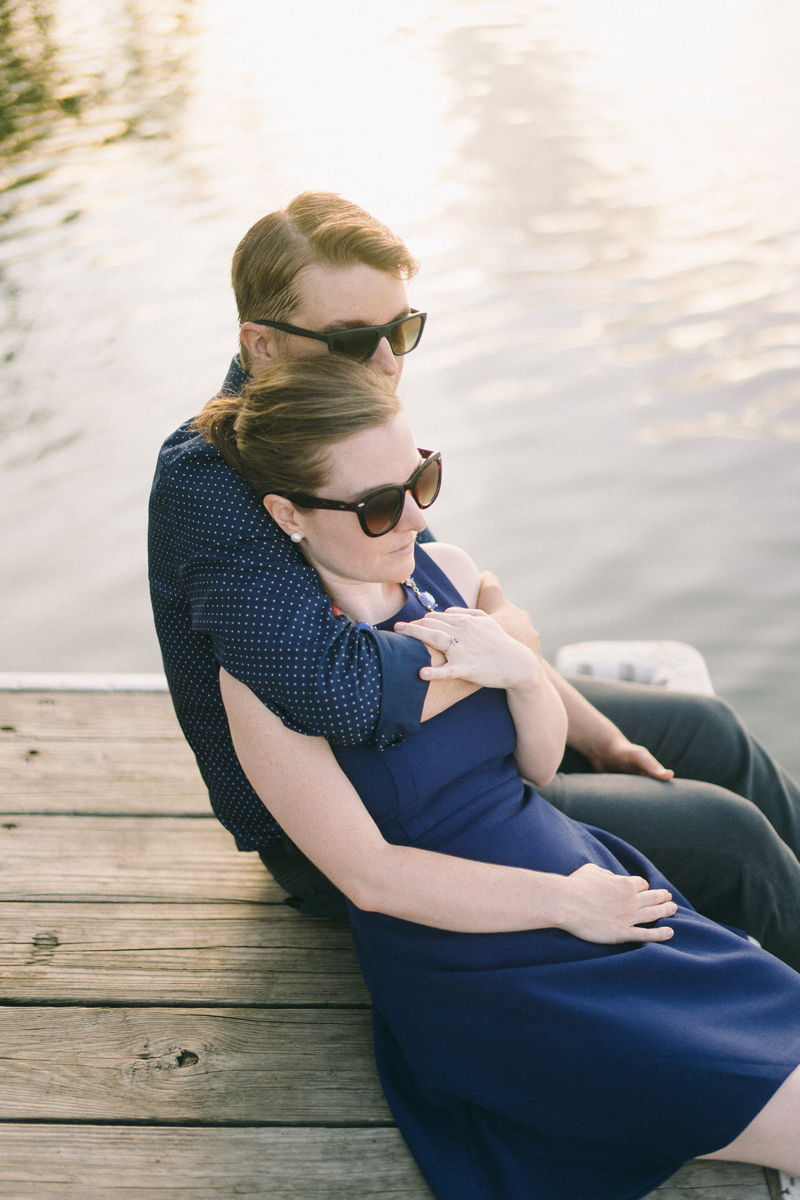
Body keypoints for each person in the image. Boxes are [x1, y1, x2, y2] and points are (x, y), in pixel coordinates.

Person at [198, 353, 800, 1199]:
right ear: (287, 514)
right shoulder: (269, 675)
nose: (411, 517)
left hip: (583, 873)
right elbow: (369, 879)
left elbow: (538, 765)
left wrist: (518, 670)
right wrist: (567, 905)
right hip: (473, 954)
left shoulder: (446, 574)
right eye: (377, 506)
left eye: (422, 480)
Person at [149, 191, 800, 964]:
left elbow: (439, 598)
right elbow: (335, 688)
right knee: (733, 846)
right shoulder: (209, 484)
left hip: (449, 742)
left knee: (708, 732)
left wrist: (593, 730)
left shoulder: (349, 414)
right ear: (261, 344)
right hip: (365, 816)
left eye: (401, 330)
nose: (389, 363)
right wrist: (505, 646)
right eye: (356, 339)